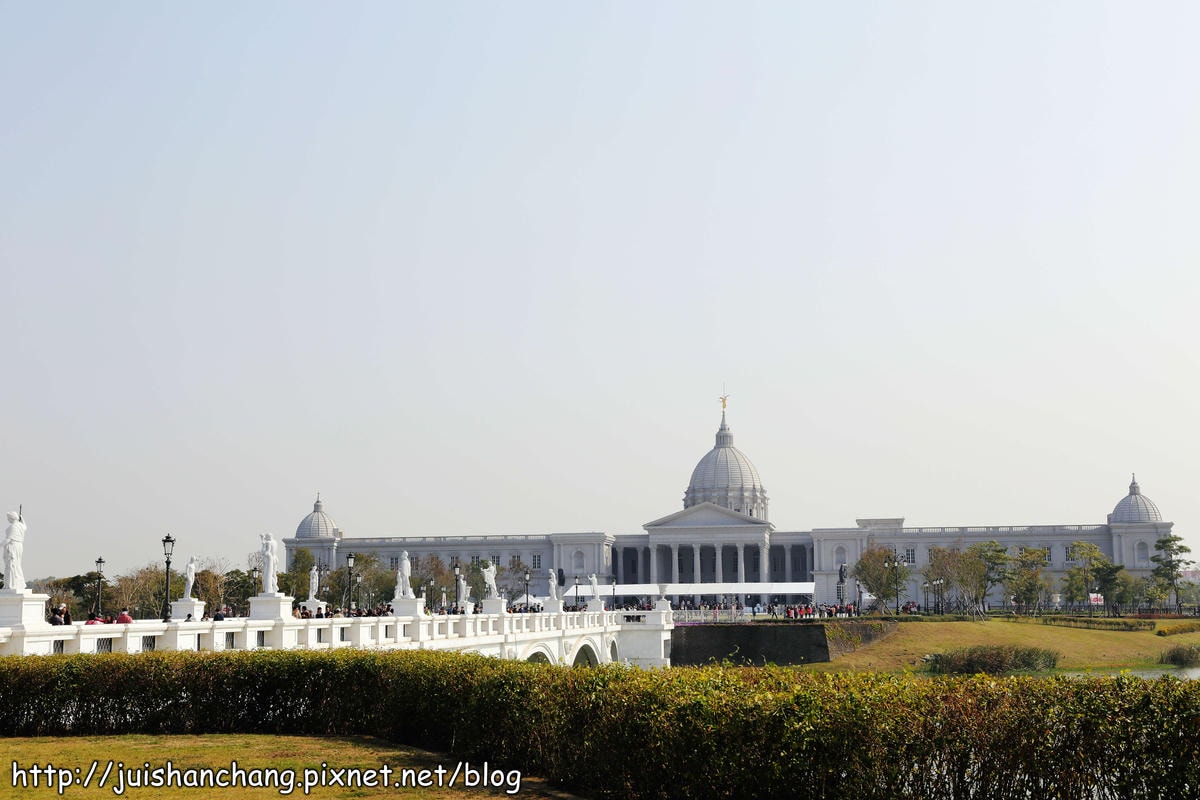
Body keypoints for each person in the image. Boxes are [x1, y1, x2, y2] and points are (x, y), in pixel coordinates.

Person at [3, 510, 26, 592]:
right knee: (16, 565)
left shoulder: (12, 527)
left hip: (12, 547)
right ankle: (17, 583)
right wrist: (22, 519)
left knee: (12, 565)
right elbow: (25, 526)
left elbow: (8, 539)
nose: (7, 519)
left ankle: (12, 584)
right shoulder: (20, 526)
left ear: (11, 518)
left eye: (8, 518)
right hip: (19, 546)